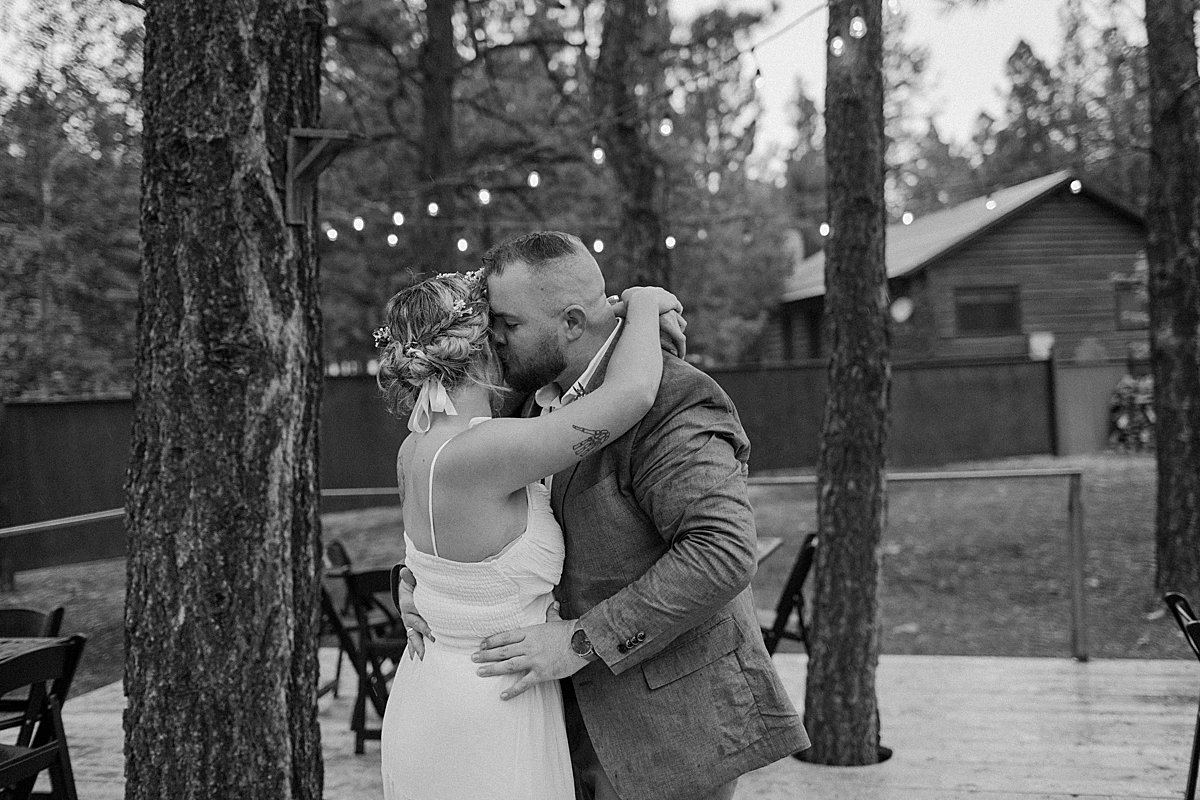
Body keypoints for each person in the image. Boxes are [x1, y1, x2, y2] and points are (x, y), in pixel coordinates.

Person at [400, 231, 810, 800]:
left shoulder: (674, 399)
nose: (492, 339)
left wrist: (580, 643)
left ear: (570, 322)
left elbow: (722, 551)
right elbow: (475, 515)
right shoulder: (517, 402)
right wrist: (430, 584)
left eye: (508, 324)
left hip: (661, 723)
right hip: (542, 720)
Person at [374, 265, 682, 800]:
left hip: (435, 688)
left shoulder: (415, 447)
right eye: (501, 325)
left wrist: (416, 588)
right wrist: (645, 302)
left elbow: (451, 566)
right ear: (481, 344)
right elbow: (631, 394)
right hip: (490, 711)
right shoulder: (487, 450)